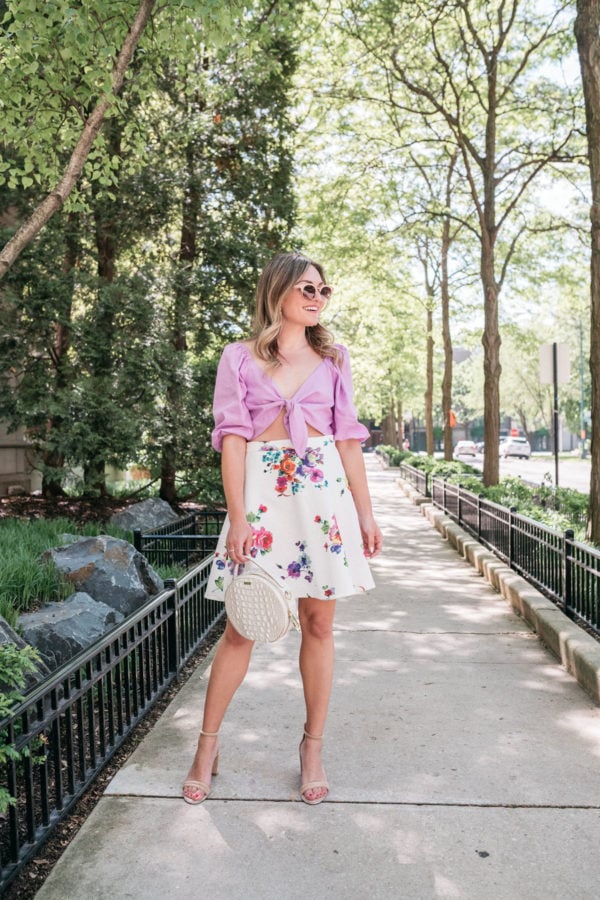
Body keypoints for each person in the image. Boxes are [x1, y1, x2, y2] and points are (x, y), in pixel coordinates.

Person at [183, 250, 383, 806]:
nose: (317, 298)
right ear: (278, 294)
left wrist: (365, 513)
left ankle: (312, 747)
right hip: (263, 501)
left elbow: (347, 439)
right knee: (241, 627)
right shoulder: (238, 358)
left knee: (319, 626)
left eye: (323, 290)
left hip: (323, 500)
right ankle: (206, 746)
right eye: (307, 289)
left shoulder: (335, 358)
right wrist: (239, 517)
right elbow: (232, 440)